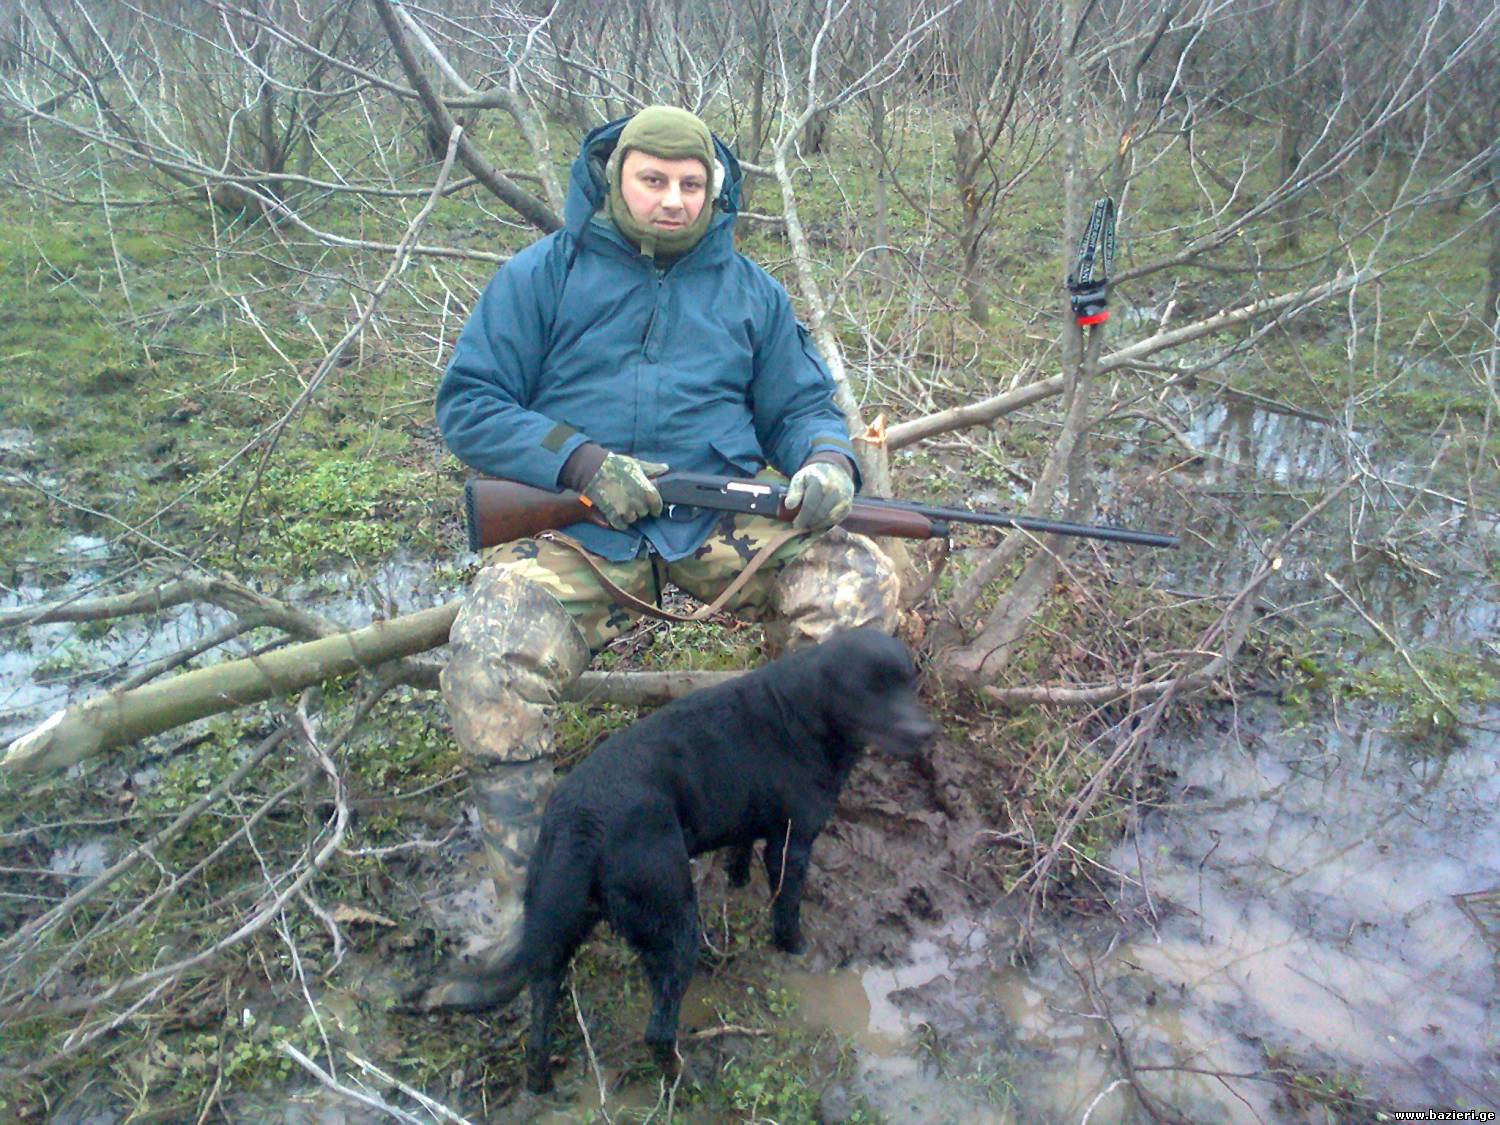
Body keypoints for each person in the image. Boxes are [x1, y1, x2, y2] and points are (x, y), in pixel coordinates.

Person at [420, 106, 900, 1008]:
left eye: (691, 184)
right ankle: (524, 900)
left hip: (719, 524)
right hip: (584, 530)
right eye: (653, 180)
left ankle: (770, 806)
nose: (673, 200)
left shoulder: (753, 293)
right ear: (615, 179)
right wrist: (579, 462)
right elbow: (471, 404)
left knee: (858, 586)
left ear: (714, 191)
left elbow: (802, 408)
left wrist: (828, 462)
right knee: (490, 647)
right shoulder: (541, 276)